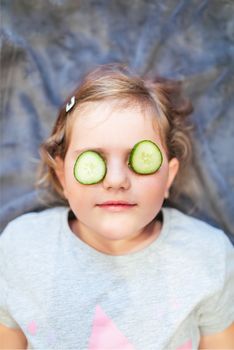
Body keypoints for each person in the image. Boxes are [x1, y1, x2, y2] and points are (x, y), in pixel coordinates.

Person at [0, 63, 233, 350]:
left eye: (140, 159)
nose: (116, 180)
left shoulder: (209, 255)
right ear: (62, 176)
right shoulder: (19, 247)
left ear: (169, 176)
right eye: (92, 160)